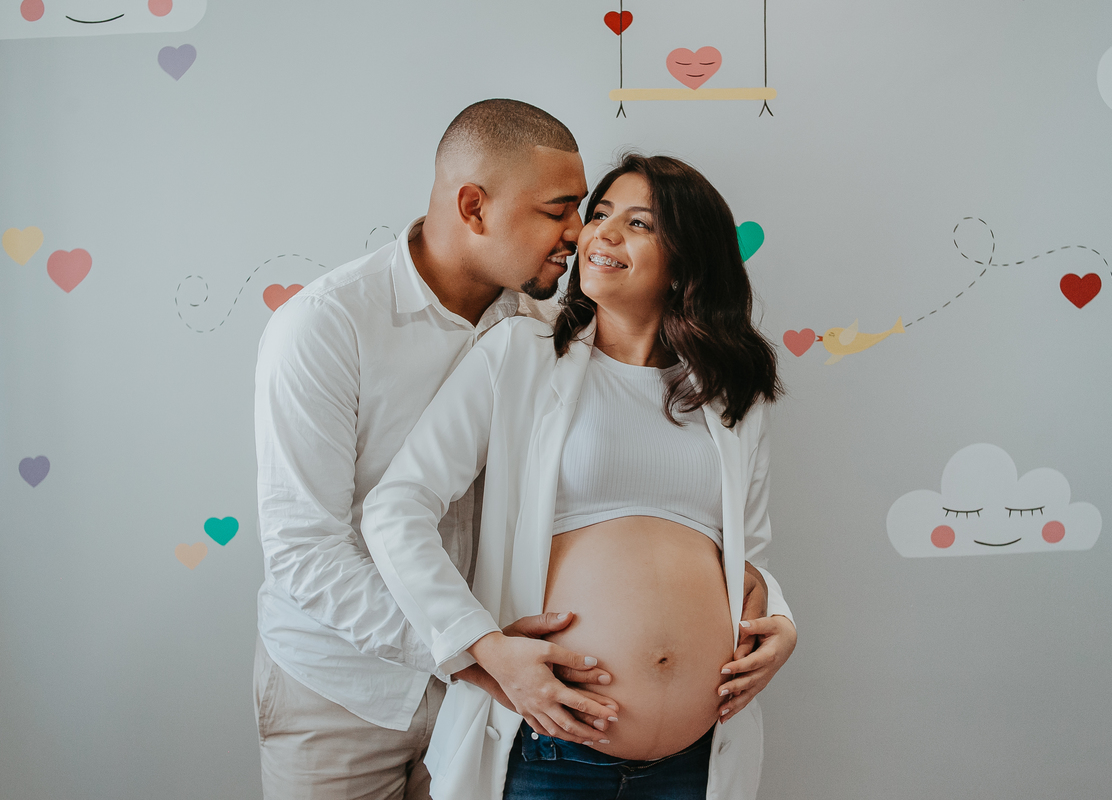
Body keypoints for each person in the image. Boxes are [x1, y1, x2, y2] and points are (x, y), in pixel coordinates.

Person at [362, 154, 798, 799]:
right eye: (599, 214)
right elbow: (396, 508)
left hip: (694, 760)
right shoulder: (521, 355)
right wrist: (485, 648)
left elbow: (746, 558)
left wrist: (780, 623)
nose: (602, 233)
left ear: (688, 258)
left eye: (640, 223)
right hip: (549, 750)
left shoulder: (729, 393)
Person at [252, 99, 615, 800]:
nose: (579, 233)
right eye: (558, 209)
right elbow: (305, 551)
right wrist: (476, 653)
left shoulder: (550, 330)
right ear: (473, 206)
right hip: (339, 691)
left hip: (490, 699)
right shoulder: (326, 327)